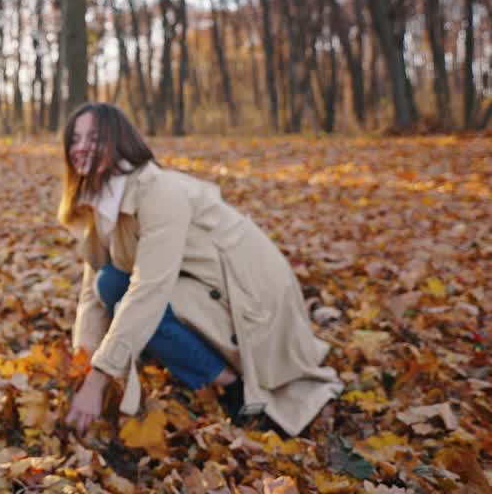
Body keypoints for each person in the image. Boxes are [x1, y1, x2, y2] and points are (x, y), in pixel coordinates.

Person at [58, 102, 342, 438]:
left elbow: (149, 289)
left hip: (249, 297)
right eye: (74, 139)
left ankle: (231, 386)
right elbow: (93, 285)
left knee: (131, 304)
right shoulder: (102, 196)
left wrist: (98, 379)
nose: (81, 148)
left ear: (118, 141)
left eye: (94, 137)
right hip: (200, 284)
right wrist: (85, 360)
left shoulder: (157, 191)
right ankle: (188, 358)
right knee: (109, 282)